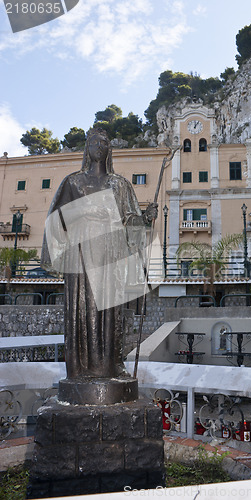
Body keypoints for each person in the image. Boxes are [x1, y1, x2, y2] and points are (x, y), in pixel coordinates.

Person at [41, 128, 158, 379]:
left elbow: (129, 220)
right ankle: (81, 368)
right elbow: (55, 219)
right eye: (94, 142)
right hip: (81, 252)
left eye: (104, 142)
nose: (99, 146)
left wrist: (145, 219)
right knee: (83, 307)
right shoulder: (73, 182)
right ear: (87, 147)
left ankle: (110, 365)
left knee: (111, 309)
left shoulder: (121, 184)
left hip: (111, 253)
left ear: (109, 150)